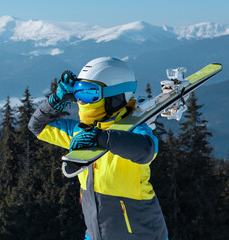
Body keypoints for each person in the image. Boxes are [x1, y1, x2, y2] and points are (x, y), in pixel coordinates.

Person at [28, 57, 168, 240]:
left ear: (115, 96)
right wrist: (56, 100)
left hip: (142, 235)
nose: (82, 102)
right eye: (78, 93)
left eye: (89, 94)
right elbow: (37, 126)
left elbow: (147, 150)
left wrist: (103, 138)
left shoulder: (134, 129)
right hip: (95, 235)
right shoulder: (79, 133)